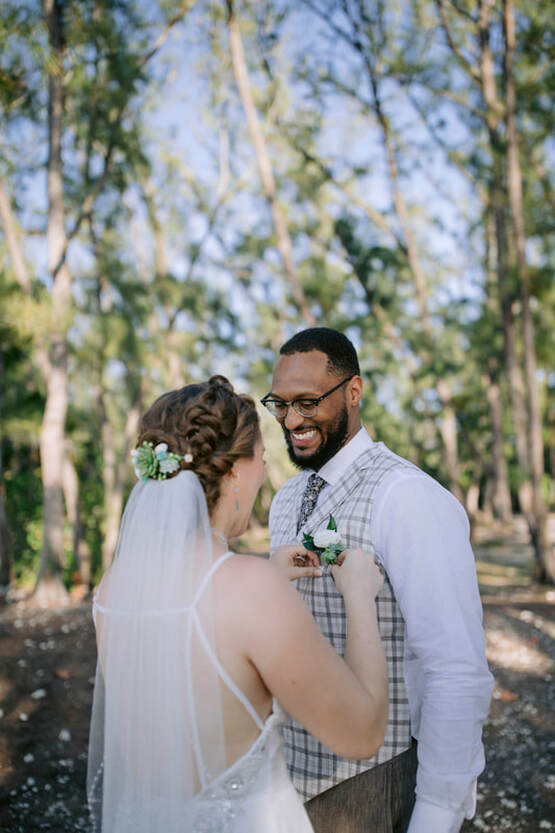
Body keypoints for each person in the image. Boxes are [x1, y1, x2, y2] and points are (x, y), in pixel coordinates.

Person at [87, 375, 388, 833]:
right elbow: (362, 735)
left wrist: (264, 574)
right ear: (234, 472)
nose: (264, 474)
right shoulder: (249, 590)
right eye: (261, 460)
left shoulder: (113, 587)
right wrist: (360, 595)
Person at [264, 328, 494, 833]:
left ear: (353, 391)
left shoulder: (406, 496)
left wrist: (437, 812)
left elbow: (456, 669)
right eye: (279, 404)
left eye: (307, 402)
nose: (292, 420)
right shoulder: (284, 499)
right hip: (282, 787)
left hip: (375, 787)